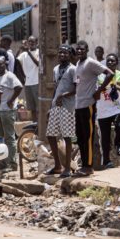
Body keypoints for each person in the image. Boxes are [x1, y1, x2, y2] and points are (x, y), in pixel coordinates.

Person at [72, 41, 113, 177]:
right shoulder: (78, 64)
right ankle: (84, 165)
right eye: (77, 49)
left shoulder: (90, 63)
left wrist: (99, 91)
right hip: (78, 105)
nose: (79, 51)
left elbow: (109, 73)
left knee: (88, 136)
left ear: (87, 50)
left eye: (82, 49)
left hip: (88, 104)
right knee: (80, 136)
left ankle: (88, 166)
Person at [95, 52, 120, 169]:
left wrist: (118, 87)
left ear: (117, 63)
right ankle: (106, 161)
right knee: (105, 138)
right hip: (102, 111)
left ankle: (117, 143)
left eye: (112, 61)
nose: (110, 62)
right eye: (108, 61)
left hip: (116, 109)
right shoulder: (99, 76)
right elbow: (95, 92)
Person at [47, 45, 77, 178]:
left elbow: (77, 88)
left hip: (68, 106)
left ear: (70, 55)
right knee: (50, 135)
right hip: (55, 106)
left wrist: (63, 95)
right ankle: (57, 166)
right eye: (60, 53)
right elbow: (55, 88)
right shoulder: (55, 69)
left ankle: (67, 168)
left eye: (65, 53)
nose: (62, 55)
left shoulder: (73, 69)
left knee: (67, 136)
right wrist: (50, 106)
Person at [0, 56, 23, 170]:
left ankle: (12, 164)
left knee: (9, 137)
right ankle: (3, 162)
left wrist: (11, 100)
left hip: (8, 110)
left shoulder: (10, 75)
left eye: (1, 64)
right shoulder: (0, 76)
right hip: (0, 110)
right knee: (0, 137)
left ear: (6, 64)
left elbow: (19, 87)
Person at [17, 36, 41, 121]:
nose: (31, 44)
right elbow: (16, 61)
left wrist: (28, 52)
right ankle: (35, 126)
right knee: (31, 108)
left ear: (36, 43)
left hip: (36, 82)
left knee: (39, 108)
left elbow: (38, 63)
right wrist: (20, 49)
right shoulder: (24, 54)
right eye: (29, 42)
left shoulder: (39, 52)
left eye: (32, 42)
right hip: (27, 84)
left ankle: (40, 125)